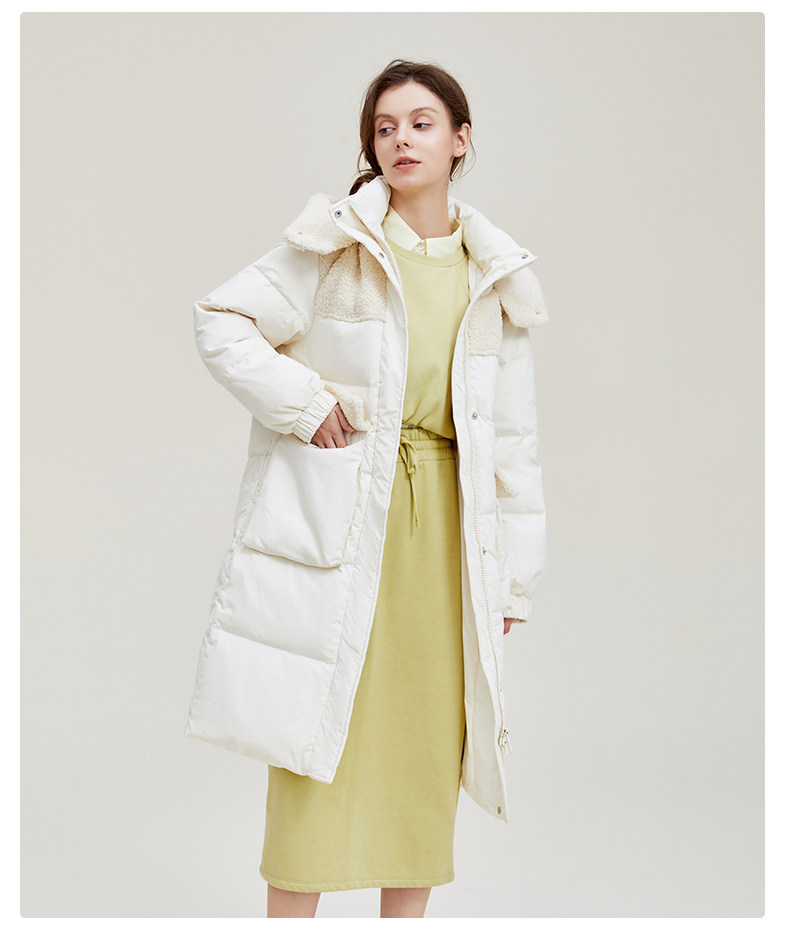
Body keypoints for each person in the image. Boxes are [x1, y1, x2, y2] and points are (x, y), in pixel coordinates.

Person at [184, 58, 549, 918]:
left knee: (425, 745)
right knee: (317, 734)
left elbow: (512, 441)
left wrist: (512, 579)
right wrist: (305, 403)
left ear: (460, 140)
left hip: (446, 539)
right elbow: (221, 320)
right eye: (385, 127)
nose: (400, 140)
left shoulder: (494, 274)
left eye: (421, 123)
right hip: (346, 523)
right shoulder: (334, 245)